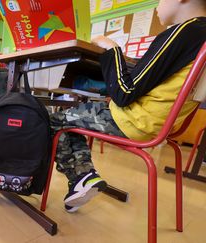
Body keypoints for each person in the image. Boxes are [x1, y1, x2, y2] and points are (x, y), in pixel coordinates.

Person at [51, 0, 206, 213]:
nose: (157, 6)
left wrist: (112, 49)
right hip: (164, 125)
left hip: (135, 120)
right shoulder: (200, 36)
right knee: (76, 114)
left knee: (57, 119)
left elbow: (124, 93)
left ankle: (81, 177)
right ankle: (83, 178)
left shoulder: (185, 31)